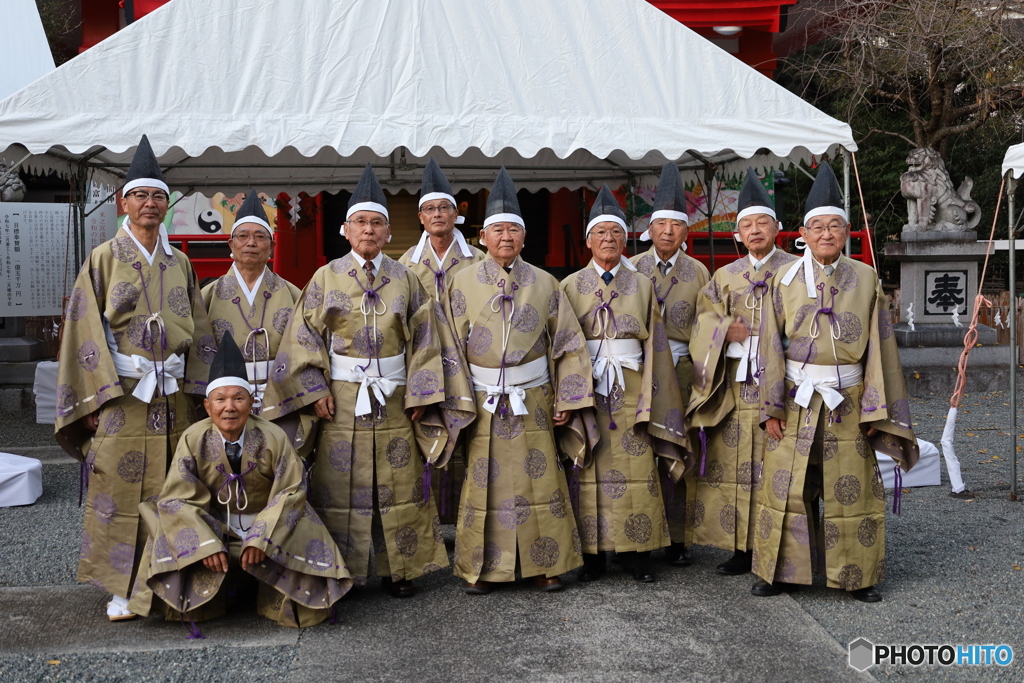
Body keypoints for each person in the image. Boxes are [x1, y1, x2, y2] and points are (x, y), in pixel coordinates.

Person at [262, 164, 475, 598]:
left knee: (400, 480)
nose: (369, 230)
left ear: (388, 230)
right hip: (341, 395)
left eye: (377, 222)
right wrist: (314, 389)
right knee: (342, 483)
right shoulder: (326, 277)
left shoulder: (406, 278)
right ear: (345, 229)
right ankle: (347, 568)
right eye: (361, 221)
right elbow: (303, 338)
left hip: (395, 394)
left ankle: (403, 570)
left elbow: (427, 340)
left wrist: (424, 393)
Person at [54, 134, 214, 620]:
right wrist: (93, 400)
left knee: (177, 486)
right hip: (122, 394)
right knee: (120, 491)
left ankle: (172, 576)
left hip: (173, 396)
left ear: (167, 206)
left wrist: (202, 390)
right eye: (140, 196)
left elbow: (201, 332)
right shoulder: (104, 258)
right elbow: (83, 330)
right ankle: (123, 585)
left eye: (158, 197)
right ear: (123, 202)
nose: (150, 204)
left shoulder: (180, 262)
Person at [752, 163, 919, 602]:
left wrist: (876, 411)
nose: (826, 234)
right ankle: (782, 572)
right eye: (817, 227)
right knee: (788, 484)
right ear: (802, 235)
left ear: (846, 232)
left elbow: (881, 350)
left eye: (835, 227)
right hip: (795, 397)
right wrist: (769, 409)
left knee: (851, 487)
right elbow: (768, 347)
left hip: (849, 396)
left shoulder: (865, 278)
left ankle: (856, 577)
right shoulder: (781, 280)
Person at [127, 333, 352, 628]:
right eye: (220, 399)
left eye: (238, 398)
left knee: (303, 516)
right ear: (208, 407)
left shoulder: (273, 437)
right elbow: (177, 498)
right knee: (162, 516)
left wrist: (261, 536)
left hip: (266, 526)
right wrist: (205, 544)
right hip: (214, 526)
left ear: (252, 402)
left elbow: (291, 491)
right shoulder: (193, 438)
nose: (229, 407)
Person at [447, 167, 590, 594]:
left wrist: (567, 397)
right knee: (484, 483)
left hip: (534, 398)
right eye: (497, 230)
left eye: (513, 229)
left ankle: (547, 564)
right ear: (483, 237)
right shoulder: (462, 281)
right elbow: (449, 347)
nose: (505, 237)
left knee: (541, 478)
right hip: (483, 397)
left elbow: (568, 343)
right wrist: (458, 401)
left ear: (524, 238)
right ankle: (484, 568)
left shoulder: (545, 283)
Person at [560, 185, 690, 583]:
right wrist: (566, 395)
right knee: (590, 466)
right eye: (601, 233)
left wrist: (658, 395)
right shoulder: (569, 286)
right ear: (588, 241)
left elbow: (656, 345)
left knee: (637, 466)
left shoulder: (642, 285)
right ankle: (594, 555)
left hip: (633, 386)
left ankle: (636, 553)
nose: (609, 240)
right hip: (590, 385)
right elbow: (563, 346)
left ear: (627, 239)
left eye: (616, 233)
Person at [686, 167, 797, 575]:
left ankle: (778, 549)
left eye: (761, 223)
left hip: (780, 382)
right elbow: (700, 321)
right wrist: (721, 330)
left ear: (777, 228)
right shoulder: (724, 276)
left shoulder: (796, 270)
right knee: (734, 467)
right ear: (737, 233)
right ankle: (739, 550)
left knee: (775, 469)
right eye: (746, 224)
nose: (754, 230)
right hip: (736, 383)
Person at [630, 162, 709, 567]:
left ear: (685, 231)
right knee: (641, 450)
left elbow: (708, 327)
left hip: (680, 371)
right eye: (660, 224)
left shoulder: (699, 272)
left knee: (679, 448)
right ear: (649, 227)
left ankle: (678, 538)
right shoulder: (631, 268)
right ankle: (640, 534)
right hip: (640, 373)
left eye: (675, 225)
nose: (667, 232)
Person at [399, 157, 484, 522]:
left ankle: (467, 520)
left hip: (471, 364)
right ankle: (432, 524)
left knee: (472, 438)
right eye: (430, 209)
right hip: (425, 367)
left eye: (444, 208)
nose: (437, 215)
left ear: (456, 214)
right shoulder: (403, 265)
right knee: (427, 440)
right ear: (420, 217)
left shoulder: (478, 260)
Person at [200, 191, 315, 455]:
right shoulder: (208, 296)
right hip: (225, 404)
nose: (251, 243)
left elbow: (308, 351)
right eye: (243, 236)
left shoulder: (293, 294)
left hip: (280, 397)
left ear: (272, 246)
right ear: (231, 244)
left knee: (277, 463)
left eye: (260, 237)